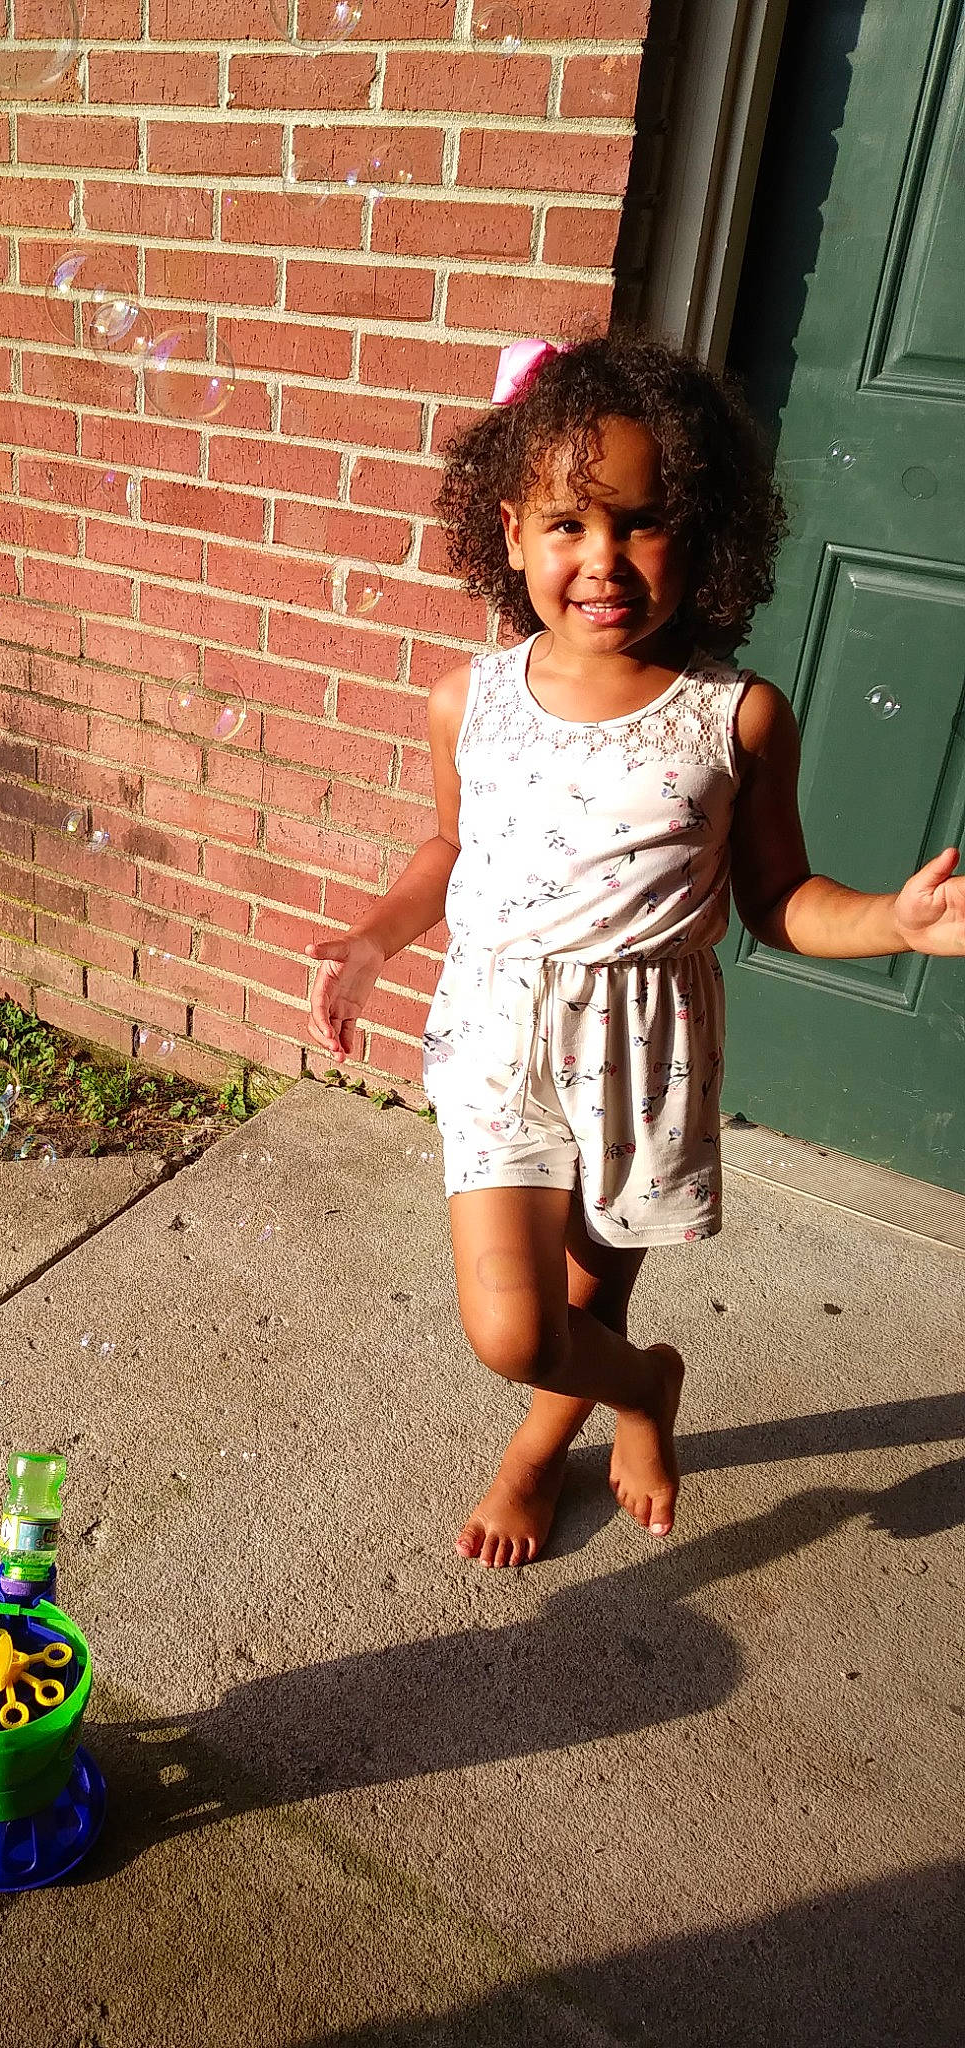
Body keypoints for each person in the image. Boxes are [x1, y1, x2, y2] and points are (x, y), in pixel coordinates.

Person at [305, 334, 965, 1568]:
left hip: (644, 1046)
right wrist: (372, 940)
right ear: (509, 534)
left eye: (643, 523)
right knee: (514, 1326)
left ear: (700, 535)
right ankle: (647, 1388)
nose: (601, 560)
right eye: (567, 524)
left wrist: (897, 920)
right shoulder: (471, 699)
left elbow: (783, 901)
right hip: (498, 1031)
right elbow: (450, 844)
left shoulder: (737, 712)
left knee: (592, 1291)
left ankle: (541, 1448)